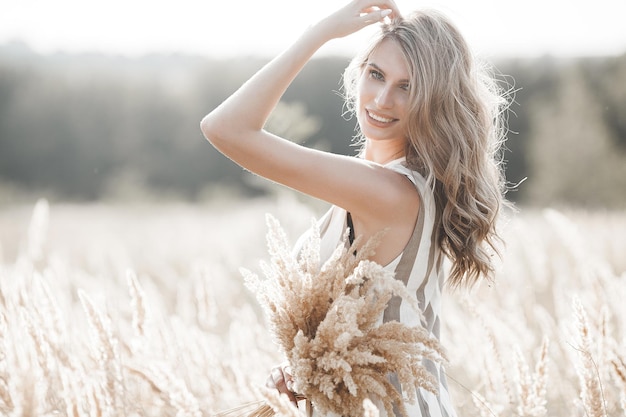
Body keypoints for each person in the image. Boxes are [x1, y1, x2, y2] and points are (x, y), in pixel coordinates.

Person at [201, 1, 510, 416]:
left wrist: (319, 33)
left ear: (434, 100)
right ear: (359, 72)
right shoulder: (400, 182)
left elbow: (225, 128)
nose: (383, 99)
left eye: (408, 86)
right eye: (376, 74)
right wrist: (308, 370)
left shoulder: (390, 191)